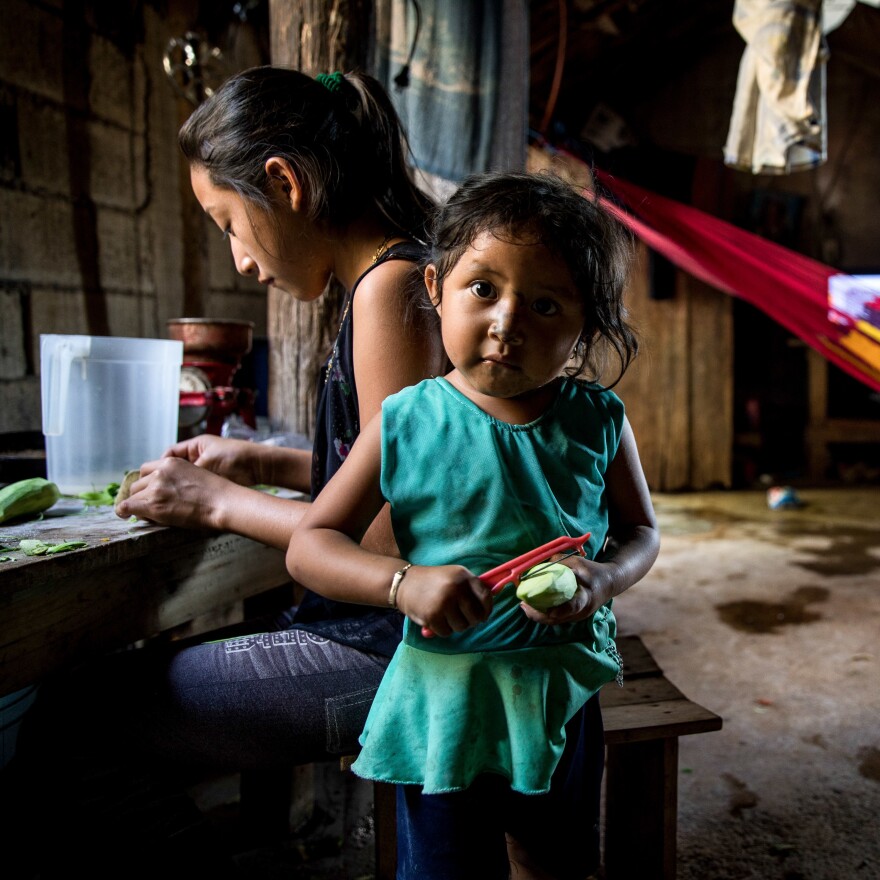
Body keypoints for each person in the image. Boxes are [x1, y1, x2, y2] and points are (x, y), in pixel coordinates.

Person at [1, 65, 445, 875]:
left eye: (230, 222)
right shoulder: (387, 276)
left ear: (284, 183)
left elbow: (384, 546)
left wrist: (219, 503)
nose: (240, 259)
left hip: (390, 651)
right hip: (376, 634)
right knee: (94, 704)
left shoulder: (388, 289)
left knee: (73, 724)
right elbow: (398, 474)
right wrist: (262, 458)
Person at [287, 170, 661, 880]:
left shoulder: (597, 421)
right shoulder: (405, 420)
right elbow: (311, 545)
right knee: (448, 868)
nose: (507, 321)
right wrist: (402, 584)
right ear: (434, 289)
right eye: (483, 289)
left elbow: (642, 533)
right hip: (443, 702)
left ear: (584, 327)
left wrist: (603, 577)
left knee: (557, 860)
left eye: (546, 304)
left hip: (558, 694)